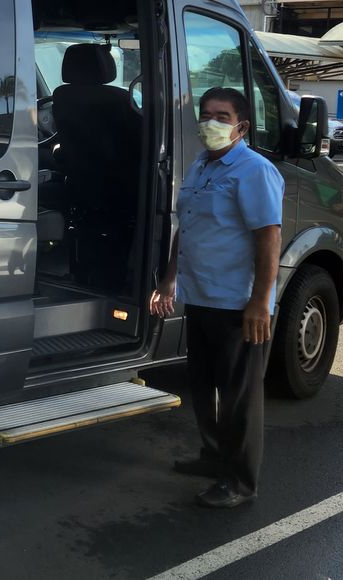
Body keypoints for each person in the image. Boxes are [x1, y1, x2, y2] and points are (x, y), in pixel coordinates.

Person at [149, 86, 284, 508]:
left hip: (237, 304)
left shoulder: (253, 170)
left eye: (222, 117)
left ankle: (240, 482)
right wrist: (169, 280)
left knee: (238, 397)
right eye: (206, 114)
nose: (211, 123)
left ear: (241, 126)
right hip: (201, 296)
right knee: (203, 385)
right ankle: (212, 456)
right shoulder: (200, 165)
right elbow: (186, 227)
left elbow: (269, 238)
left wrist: (260, 302)